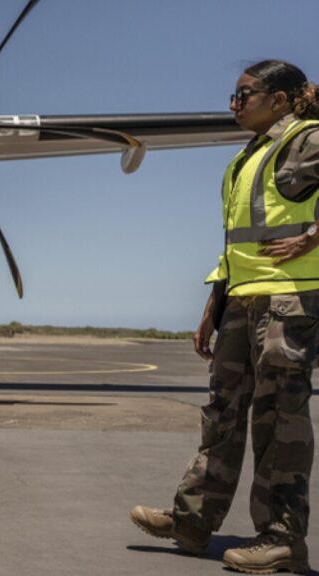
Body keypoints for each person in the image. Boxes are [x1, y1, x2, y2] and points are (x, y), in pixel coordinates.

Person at [131, 60, 319, 575]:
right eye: (233, 96)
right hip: (241, 299)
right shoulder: (248, 156)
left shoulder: (308, 139)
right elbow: (238, 243)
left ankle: (282, 539)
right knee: (223, 414)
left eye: (244, 95)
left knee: (279, 419)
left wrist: (314, 236)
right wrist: (214, 304)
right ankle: (193, 521)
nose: (233, 105)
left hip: (289, 298)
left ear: (279, 99)